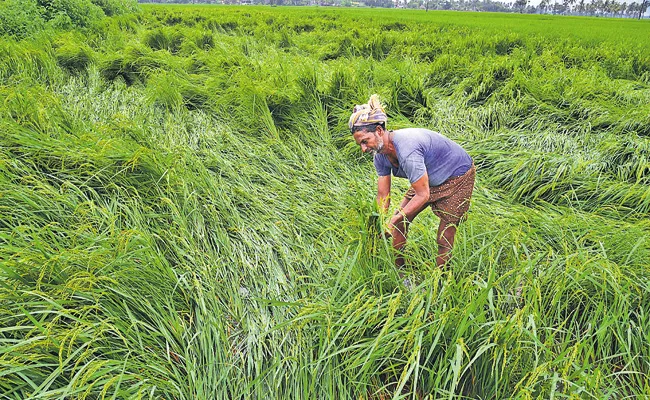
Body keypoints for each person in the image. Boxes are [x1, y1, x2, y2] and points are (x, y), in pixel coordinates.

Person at [349, 95, 476, 269]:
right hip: (428, 179)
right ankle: (402, 273)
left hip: (457, 175)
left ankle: (441, 280)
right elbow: (383, 195)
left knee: (445, 235)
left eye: (365, 141)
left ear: (379, 131)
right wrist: (379, 222)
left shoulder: (407, 149)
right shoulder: (380, 156)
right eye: (360, 145)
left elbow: (423, 195)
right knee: (400, 222)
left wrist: (392, 221)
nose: (363, 149)